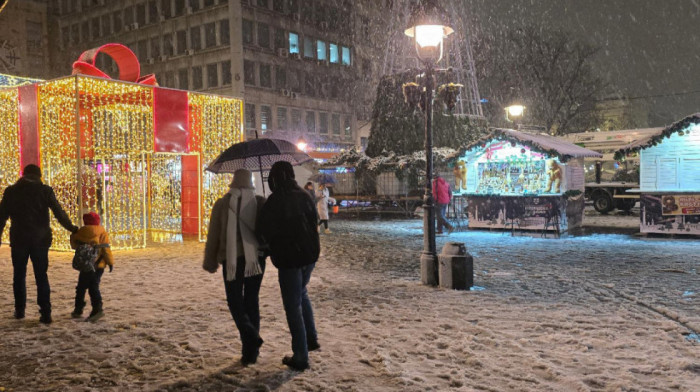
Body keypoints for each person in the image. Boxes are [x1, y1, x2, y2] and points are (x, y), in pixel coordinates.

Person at [258, 161, 320, 371]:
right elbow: (315, 221)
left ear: (274, 179)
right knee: (302, 294)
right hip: (309, 255)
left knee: (292, 306)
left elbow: (264, 231)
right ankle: (311, 339)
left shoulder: (275, 201)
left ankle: (301, 355)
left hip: (289, 258)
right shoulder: (304, 195)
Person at [0, 164, 79, 324]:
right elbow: (59, 213)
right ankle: (45, 313)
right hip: (40, 240)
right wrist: (72, 228)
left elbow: (1, 217)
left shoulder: (11, 191)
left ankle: (20, 310)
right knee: (41, 276)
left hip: (19, 240)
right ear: (39, 175)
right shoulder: (45, 190)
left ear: (23, 175)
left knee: (19, 275)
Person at [203, 169, 266, 365]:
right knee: (251, 301)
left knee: (234, 301)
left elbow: (213, 234)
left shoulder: (223, 204)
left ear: (233, 181)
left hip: (232, 260)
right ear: (250, 182)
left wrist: (210, 261)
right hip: (256, 260)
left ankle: (248, 333)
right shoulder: (259, 202)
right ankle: (251, 352)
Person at [70, 211, 113, 322]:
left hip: (86, 264)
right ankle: (97, 308)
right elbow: (106, 249)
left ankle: (78, 308)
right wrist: (110, 262)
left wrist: (73, 235)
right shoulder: (102, 232)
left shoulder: (81, 232)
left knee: (81, 287)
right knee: (94, 286)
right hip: (98, 265)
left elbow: (74, 245)